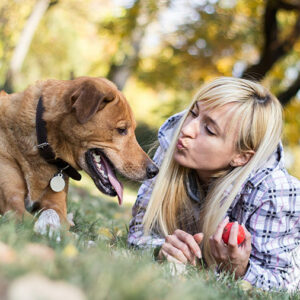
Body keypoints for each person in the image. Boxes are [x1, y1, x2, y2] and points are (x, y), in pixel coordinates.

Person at [127, 77, 300, 291]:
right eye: (194, 112)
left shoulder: (274, 192)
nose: (188, 129)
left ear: (242, 157)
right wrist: (162, 249)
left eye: (209, 130)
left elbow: (285, 286)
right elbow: (138, 232)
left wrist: (240, 270)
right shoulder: (177, 141)